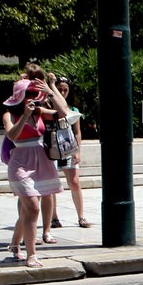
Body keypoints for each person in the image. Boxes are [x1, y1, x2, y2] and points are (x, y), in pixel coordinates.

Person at [2, 79, 64, 267]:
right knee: (33, 208)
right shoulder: (8, 115)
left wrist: (51, 91)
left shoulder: (40, 112)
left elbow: (65, 113)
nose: (32, 98)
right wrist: (25, 115)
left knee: (27, 210)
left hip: (41, 163)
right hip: (20, 164)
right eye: (28, 94)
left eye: (33, 94)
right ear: (20, 96)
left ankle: (14, 244)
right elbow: (12, 135)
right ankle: (31, 255)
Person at [50, 77, 90, 228]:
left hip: (68, 148)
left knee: (74, 182)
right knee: (52, 184)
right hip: (53, 148)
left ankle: (81, 216)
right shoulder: (49, 108)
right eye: (59, 89)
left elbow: (77, 132)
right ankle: (54, 217)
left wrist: (77, 151)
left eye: (65, 89)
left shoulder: (72, 111)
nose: (62, 92)